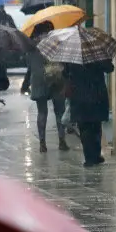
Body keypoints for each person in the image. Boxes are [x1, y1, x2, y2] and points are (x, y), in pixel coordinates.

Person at [21, 22, 69, 153]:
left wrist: (25, 85)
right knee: (59, 111)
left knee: (42, 112)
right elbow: (64, 62)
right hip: (56, 78)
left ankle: (42, 143)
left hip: (39, 80)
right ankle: (62, 140)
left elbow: (30, 68)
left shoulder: (31, 47)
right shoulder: (57, 42)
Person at [64, 59, 114, 167]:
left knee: (84, 127)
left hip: (79, 96)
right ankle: (95, 156)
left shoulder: (72, 56)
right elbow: (110, 68)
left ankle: (89, 157)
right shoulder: (97, 55)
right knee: (95, 126)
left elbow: (65, 73)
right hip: (96, 95)